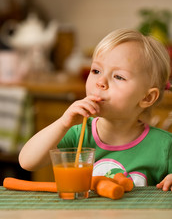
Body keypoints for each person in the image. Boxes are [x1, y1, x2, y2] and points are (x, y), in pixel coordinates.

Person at [19, 28, 172, 191]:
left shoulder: (164, 146)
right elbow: (27, 162)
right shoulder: (79, 134)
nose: (100, 82)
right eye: (96, 71)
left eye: (118, 76)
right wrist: (63, 123)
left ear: (147, 98)